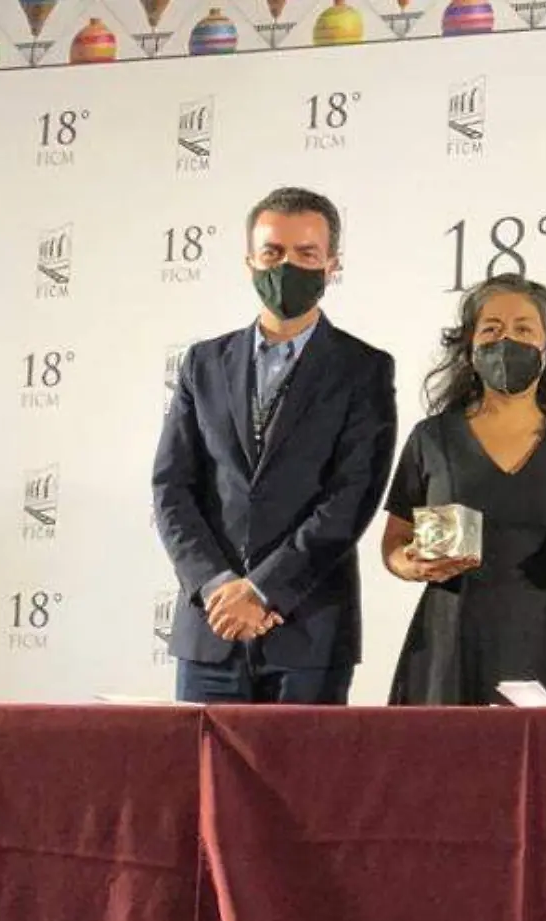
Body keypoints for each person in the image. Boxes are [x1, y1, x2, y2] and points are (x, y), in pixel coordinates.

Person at [152, 186, 396, 705]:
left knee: (304, 765)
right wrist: (218, 586)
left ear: (332, 264)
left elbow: (351, 498)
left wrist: (263, 590)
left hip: (309, 633)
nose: (288, 267)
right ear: (250, 261)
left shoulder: (364, 369)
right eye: (273, 252)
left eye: (306, 254)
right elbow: (172, 488)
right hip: (210, 630)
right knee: (200, 763)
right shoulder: (203, 363)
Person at [379, 275, 546, 705]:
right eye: (491, 328)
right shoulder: (432, 438)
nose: (506, 339)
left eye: (524, 329)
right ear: (469, 345)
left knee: (543, 751)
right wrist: (410, 564)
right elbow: (395, 542)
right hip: (449, 647)